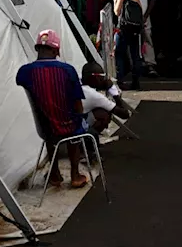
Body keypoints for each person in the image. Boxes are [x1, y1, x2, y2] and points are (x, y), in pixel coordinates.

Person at [16, 29, 88, 188]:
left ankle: (55, 173)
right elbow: (78, 104)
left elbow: (20, 81)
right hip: (68, 126)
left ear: (37, 49)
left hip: (45, 129)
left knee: (49, 121)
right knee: (76, 123)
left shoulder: (24, 72)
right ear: (56, 51)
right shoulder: (68, 70)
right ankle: (75, 174)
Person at [122, 0, 158, 74]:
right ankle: (150, 65)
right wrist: (146, 15)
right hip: (144, 18)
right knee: (147, 40)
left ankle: (133, 65)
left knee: (129, 41)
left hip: (129, 19)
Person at [80, 62, 132, 137]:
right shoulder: (95, 96)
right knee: (104, 113)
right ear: (95, 77)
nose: (103, 79)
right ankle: (89, 137)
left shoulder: (78, 85)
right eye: (102, 76)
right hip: (77, 125)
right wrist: (115, 94)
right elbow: (125, 114)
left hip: (68, 120)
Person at [113, 0, 145, 90]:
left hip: (123, 29)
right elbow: (141, 10)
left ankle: (120, 79)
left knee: (119, 54)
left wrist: (116, 1)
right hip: (135, 30)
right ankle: (136, 81)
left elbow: (117, 12)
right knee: (135, 55)